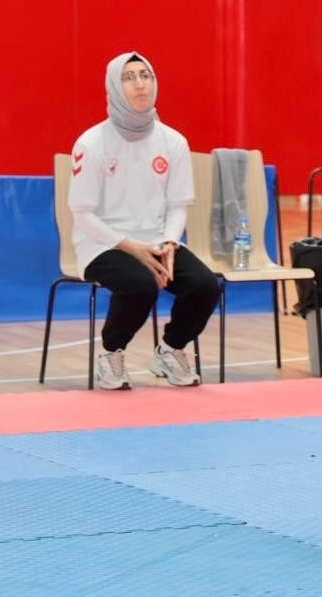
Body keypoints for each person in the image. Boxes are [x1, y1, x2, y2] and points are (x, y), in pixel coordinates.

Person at [69, 52, 220, 389]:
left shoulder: (173, 141)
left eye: (146, 75)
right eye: (129, 77)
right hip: (103, 244)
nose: (140, 84)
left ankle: (170, 349)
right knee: (140, 284)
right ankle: (110, 355)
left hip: (156, 239)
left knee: (205, 285)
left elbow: (179, 204)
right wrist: (131, 247)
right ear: (113, 86)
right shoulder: (91, 143)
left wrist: (168, 242)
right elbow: (82, 214)